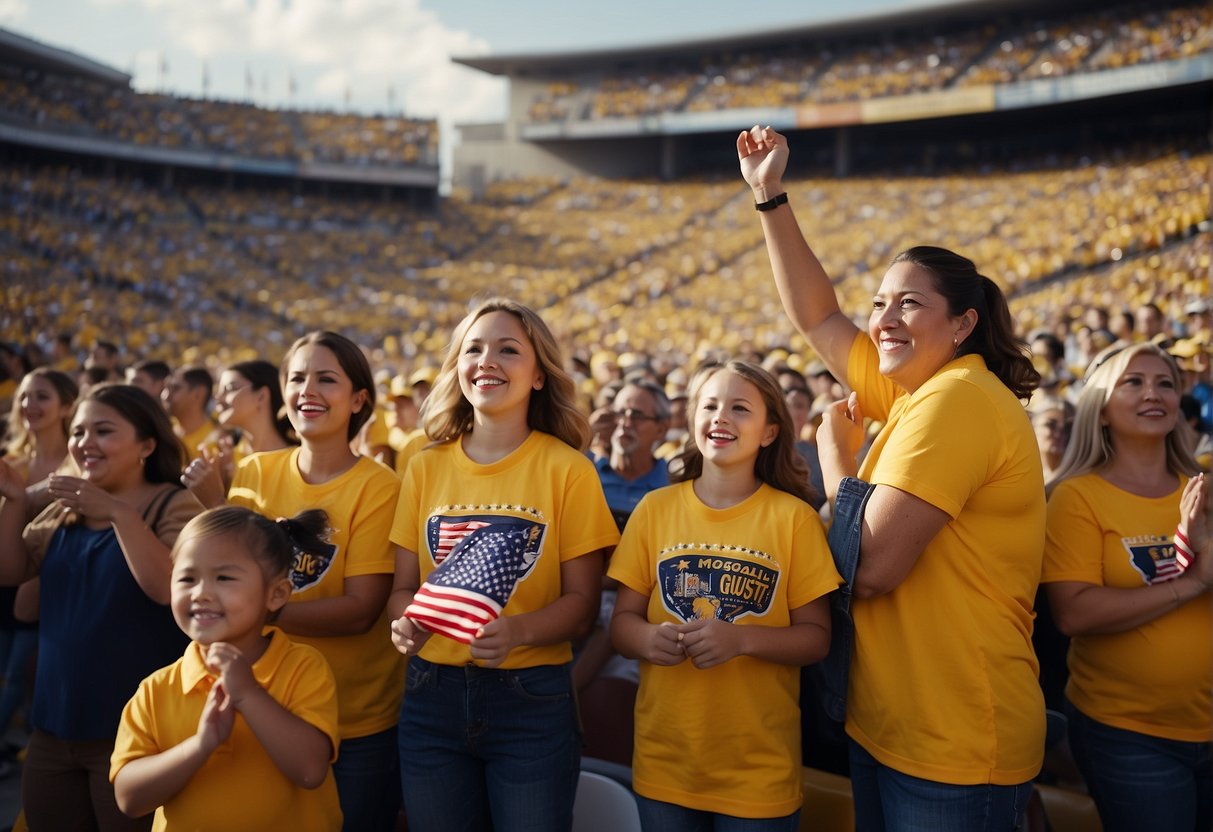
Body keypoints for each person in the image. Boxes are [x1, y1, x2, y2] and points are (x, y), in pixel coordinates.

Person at [739, 125, 1046, 830]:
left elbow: (872, 567)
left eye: (908, 303)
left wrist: (832, 454)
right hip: (899, 723)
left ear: (962, 323)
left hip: (954, 737)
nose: (882, 319)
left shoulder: (957, 399)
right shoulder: (915, 393)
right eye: (878, 302)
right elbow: (817, 314)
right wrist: (768, 197)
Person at [388, 298, 619, 832]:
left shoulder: (570, 470)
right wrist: (406, 625)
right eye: (474, 348)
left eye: (508, 350)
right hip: (430, 695)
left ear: (539, 375)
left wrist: (517, 631)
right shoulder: (423, 467)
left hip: (532, 701)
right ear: (458, 368)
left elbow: (583, 606)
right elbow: (404, 589)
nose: (487, 360)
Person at [608, 359, 838, 829]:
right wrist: (648, 639)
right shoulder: (654, 509)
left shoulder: (795, 519)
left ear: (771, 432)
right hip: (665, 764)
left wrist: (741, 640)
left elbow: (816, 638)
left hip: (758, 774)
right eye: (710, 405)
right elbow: (622, 623)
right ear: (691, 419)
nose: (721, 418)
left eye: (740, 408)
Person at [0, 383, 202, 832]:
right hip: (53, 725)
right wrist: (15, 501)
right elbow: (10, 573)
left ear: (147, 445)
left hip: (136, 733)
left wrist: (117, 513)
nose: (84, 443)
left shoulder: (174, 503)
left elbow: (167, 590)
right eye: (77, 431)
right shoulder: (67, 508)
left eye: (103, 431)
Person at [225, 331, 403, 832]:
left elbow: (360, 610)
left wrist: (259, 612)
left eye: (327, 379)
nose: (309, 389)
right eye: (297, 377)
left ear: (359, 399)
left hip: (356, 723)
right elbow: (226, 583)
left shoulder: (381, 488)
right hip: (259, 702)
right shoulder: (253, 472)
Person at [1041, 342, 1211, 832]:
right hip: (1130, 735)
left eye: (1164, 382)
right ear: (1102, 408)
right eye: (1132, 382)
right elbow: (1075, 614)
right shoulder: (1076, 498)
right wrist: (1193, 579)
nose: (1152, 392)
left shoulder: (1203, 488)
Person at [110, 506, 342, 831]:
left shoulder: (302, 667)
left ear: (276, 594)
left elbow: (309, 770)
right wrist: (201, 745)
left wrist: (248, 694)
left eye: (224, 578)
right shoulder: (156, 688)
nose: (201, 593)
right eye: (187, 578)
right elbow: (129, 799)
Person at [180, 359, 297, 509]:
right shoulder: (218, 457)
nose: (217, 398)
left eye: (230, 389)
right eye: (218, 391)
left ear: (261, 396)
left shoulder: (300, 461)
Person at [162, 366, 217, 463]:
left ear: (198, 394)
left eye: (175, 388)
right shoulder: (162, 431)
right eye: (165, 388)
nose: (165, 396)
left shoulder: (215, 443)